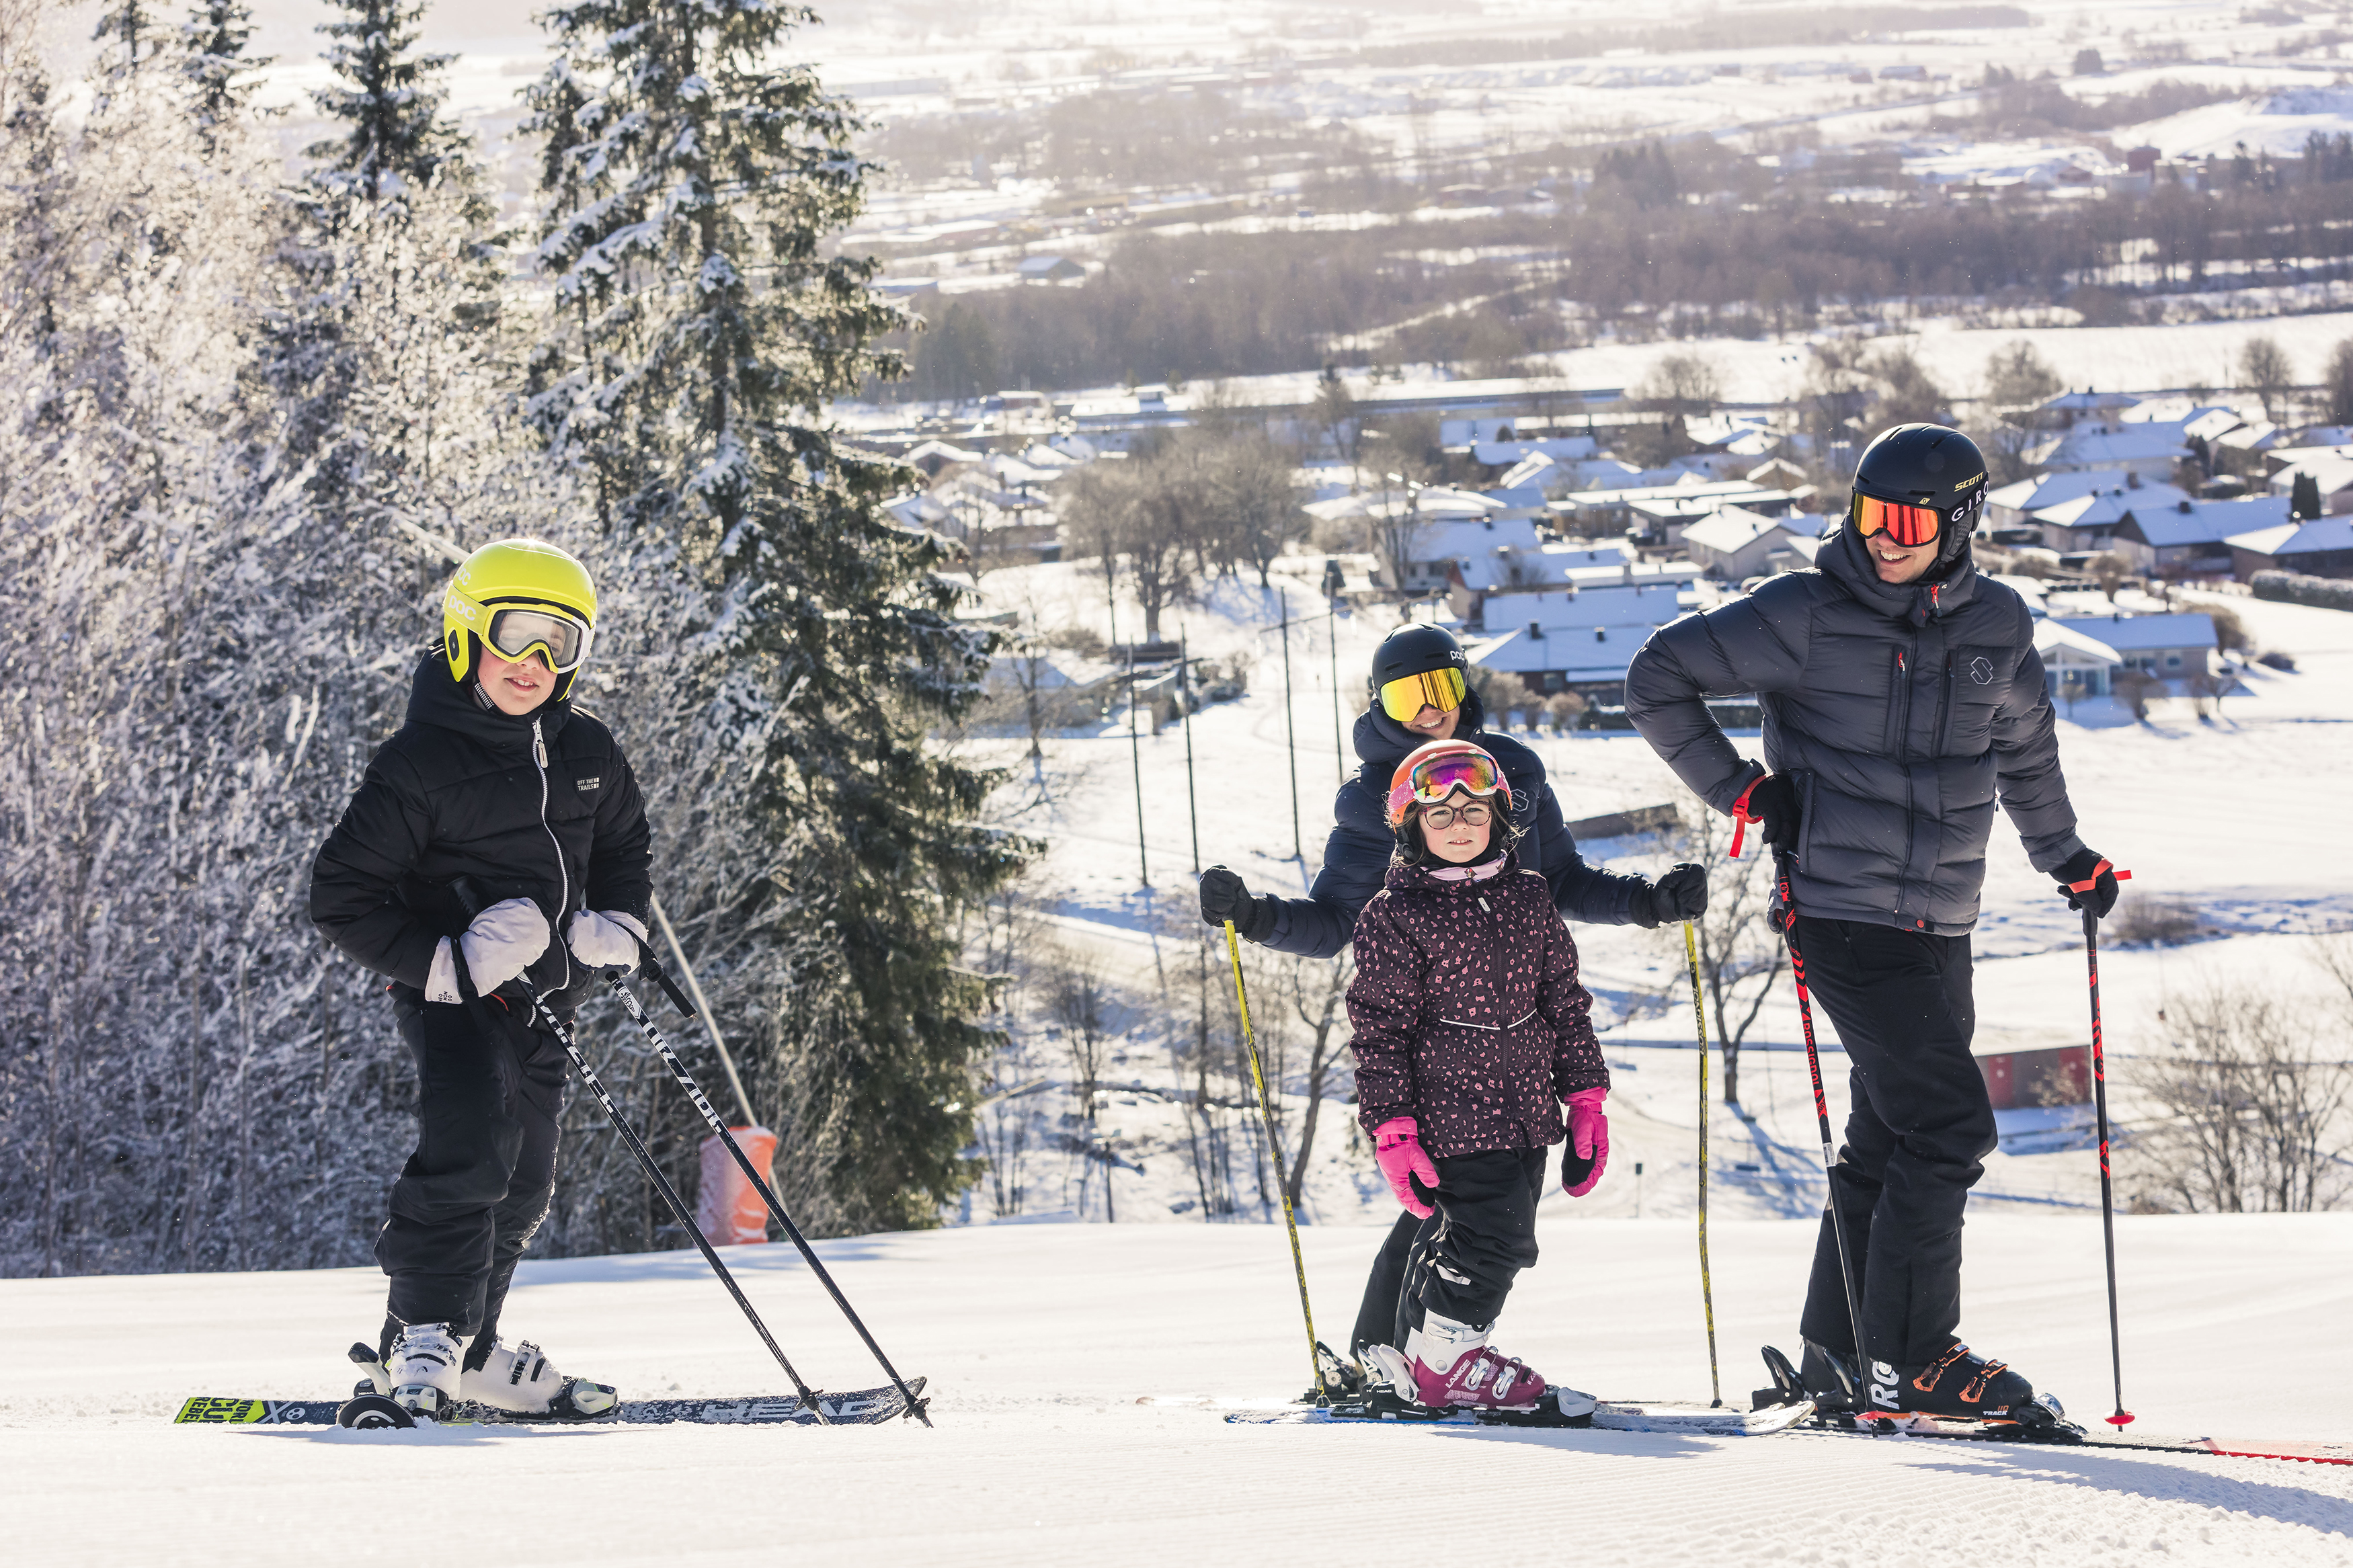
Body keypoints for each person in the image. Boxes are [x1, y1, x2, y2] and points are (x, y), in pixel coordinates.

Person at [1623, 424, 2121, 1422]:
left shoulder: (1999, 625)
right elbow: (1656, 679)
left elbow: (2024, 752)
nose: (1884, 538)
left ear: (1962, 520)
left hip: (1943, 919)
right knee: (1948, 1126)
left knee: (1890, 1132)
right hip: (1841, 913)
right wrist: (1745, 793)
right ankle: (1917, 1356)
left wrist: (2067, 856)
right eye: (1868, 514)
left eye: (1908, 521)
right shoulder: (1804, 613)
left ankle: (1840, 1351)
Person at [1198, 622, 1706, 1368]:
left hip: (1515, 1046)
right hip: (1434, 1055)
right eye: (1408, 693)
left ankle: (1385, 1353)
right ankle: (1434, 1358)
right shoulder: (1376, 800)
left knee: (1446, 1215)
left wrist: (1648, 901)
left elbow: (1562, 881)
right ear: (1379, 703)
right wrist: (1255, 916)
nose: (1428, 709)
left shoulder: (1512, 774)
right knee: (1482, 1220)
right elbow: (1336, 919)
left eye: (1441, 687)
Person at [309, 538, 655, 1422]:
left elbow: (622, 845)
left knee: (528, 1176)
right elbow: (342, 898)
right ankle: (420, 1337)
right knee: (470, 1147)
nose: (535, 663)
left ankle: (473, 1349)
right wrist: (450, 960)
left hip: (550, 997)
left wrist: (616, 919)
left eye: (561, 643)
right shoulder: (418, 765)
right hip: (455, 997)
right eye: (518, 635)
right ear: (468, 633)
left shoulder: (587, 750)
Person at [1347, 739, 1610, 1412]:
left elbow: (1563, 1000)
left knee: (1477, 1240)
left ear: (1498, 816)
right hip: (1449, 1113)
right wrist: (1392, 1128)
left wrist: (1583, 1097)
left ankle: (1413, 1355)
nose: (1459, 825)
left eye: (1473, 810)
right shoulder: (1393, 914)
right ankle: (1444, 1363)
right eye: (1439, 815)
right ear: (1412, 827)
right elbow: (1379, 1028)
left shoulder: (1529, 897)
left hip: (1525, 1110)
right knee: (1495, 1238)